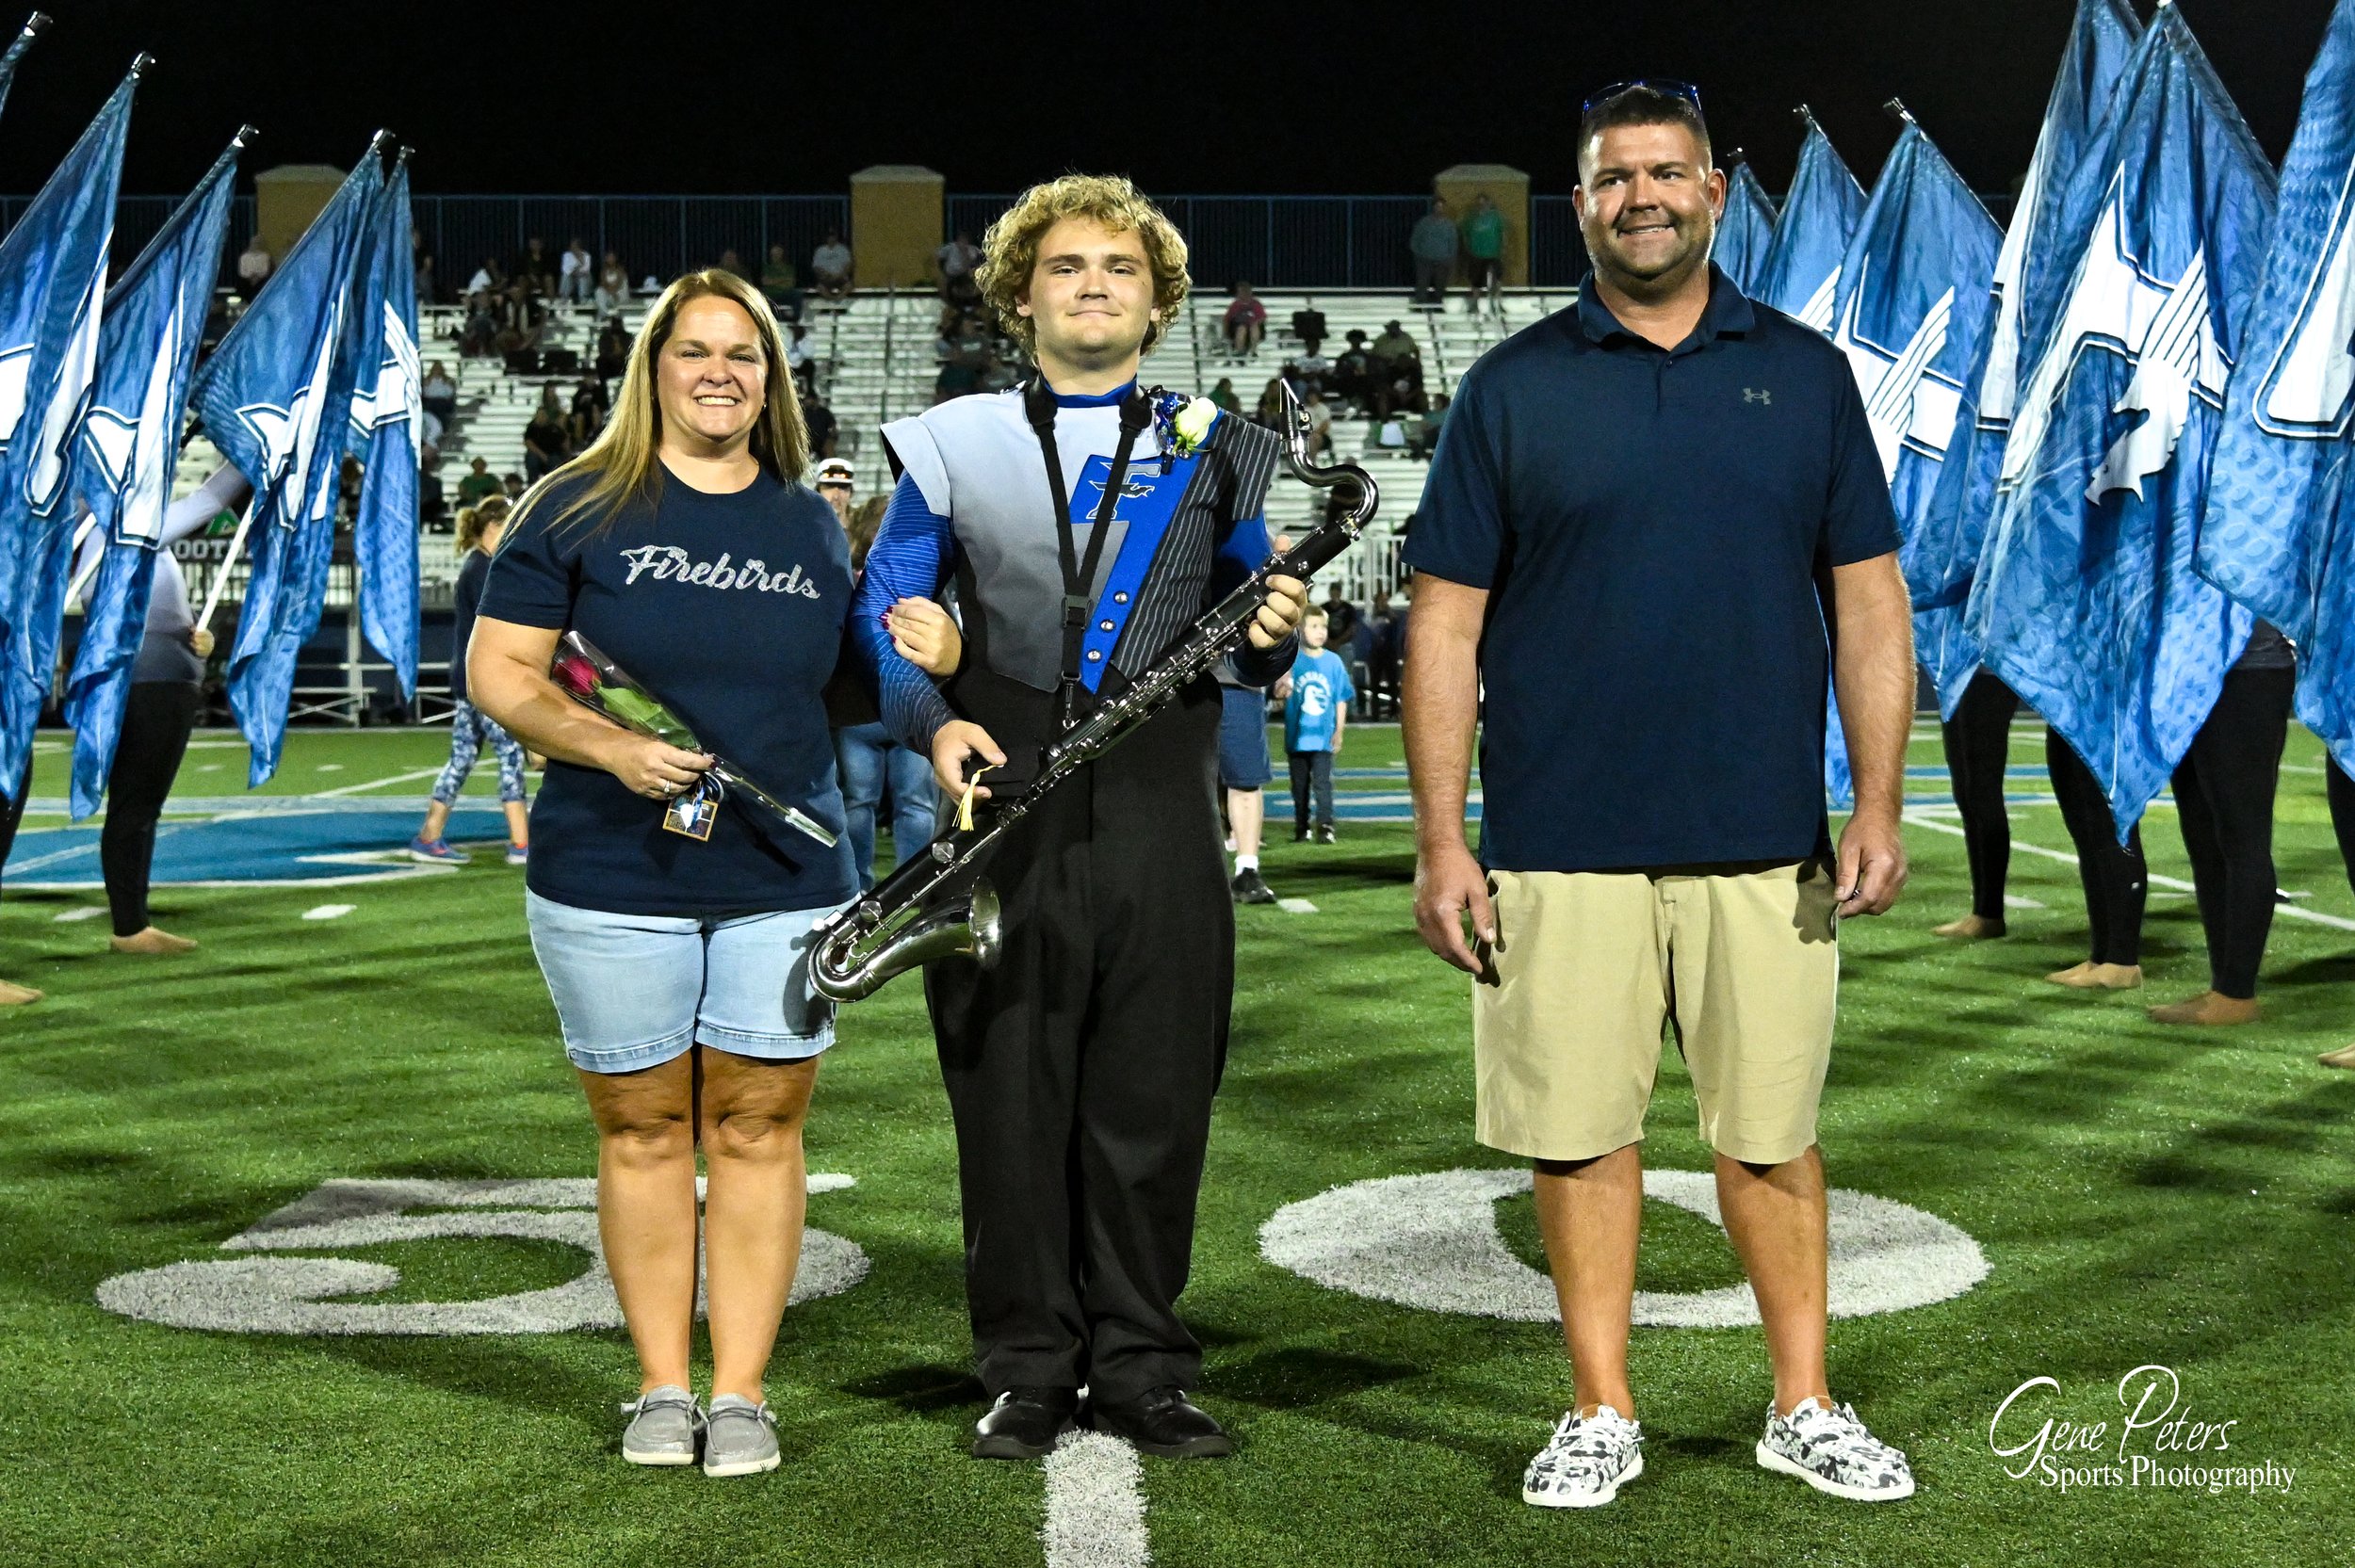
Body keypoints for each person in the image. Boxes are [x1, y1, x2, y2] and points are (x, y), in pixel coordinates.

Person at [1405, 84, 1918, 1510]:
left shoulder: (1807, 375)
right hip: (1562, 840)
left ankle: (1802, 1400)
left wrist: (1875, 801)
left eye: (1668, 172)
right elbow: (1442, 623)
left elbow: (1870, 605)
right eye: (1614, 176)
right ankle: (1600, 1407)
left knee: (1773, 1132)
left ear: (1711, 194)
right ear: (1580, 204)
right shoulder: (1511, 386)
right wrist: (1445, 837)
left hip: (1766, 835)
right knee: (1579, 1131)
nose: (1641, 195)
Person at [853, 173, 1307, 1463]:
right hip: (1005, 795)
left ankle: (1145, 1361)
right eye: (1066, 266)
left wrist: (1273, 637)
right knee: (1010, 1097)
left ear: (1159, 300)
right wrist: (930, 716)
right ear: (1020, 295)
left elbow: (1250, 636)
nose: (1093, 283)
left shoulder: (1216, 445)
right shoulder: (949, 440)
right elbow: (884, 621)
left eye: (1119, 266)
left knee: (1154, 1096)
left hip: (1163, 795)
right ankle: (1027, 1363)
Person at [468, 270, 863, 1479]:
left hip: (789, 868)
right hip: (606, 870)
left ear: (771, 379)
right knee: (642, 1129)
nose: (718, 373)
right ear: (653, 368)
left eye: (743, 355)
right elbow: (502, 673)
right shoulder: (573, 503)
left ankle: (740, 1393)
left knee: (757, 1125)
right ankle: (659, 1386)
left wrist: (931, 655)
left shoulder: (808, 519)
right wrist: (613, 749)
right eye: (693, 351)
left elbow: (835, 689)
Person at [2147, 624, 2297, 1025]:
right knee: (2203, 836)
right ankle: (2223, 984)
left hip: (2248, 671)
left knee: (2242, 835)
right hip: (2187, 672)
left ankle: (2238, 992)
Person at [833, 495, 950, 889]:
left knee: (858, 803)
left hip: (863, 710)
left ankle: (862, 888)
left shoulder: (845, 575)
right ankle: (911, 889)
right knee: (915, 805)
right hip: (912, 704)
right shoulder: (927, 574)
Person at [412, 496, 531, 866]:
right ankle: (522, 844)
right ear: (494, 527)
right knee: (511, 757)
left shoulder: (478, 565)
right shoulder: (483, 570)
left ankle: (429, 835)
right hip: (485, 681)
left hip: (468, 681)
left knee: (461, 759)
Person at [1930, 671, 2021, 941]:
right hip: (1957, 668)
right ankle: (1982, 912)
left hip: (1991, 667)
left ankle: (1990, 912)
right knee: (1966, 792)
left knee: (1982, 789)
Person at [1280, 608, 1353, 842]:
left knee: (1323, 784)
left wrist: (1339, 731)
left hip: (1322, 736)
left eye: (1323, 627)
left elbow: (1341, 698)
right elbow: (1279, 693)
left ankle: (1325, 825)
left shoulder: (1333, 662)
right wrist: (1283, 688)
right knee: (1299, 787)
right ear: (1301, 630)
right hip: (1297, 737)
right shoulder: (1292, 661)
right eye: (1314, 627)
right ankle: (1302, 826)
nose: (1320, 632)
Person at [1460, 191, 1505, 315]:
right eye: (1479, 203)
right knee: (1476, 281)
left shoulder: (1496, 217)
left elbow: (1502, 233)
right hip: (1477, 254)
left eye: (1484, 202)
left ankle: (1498, 304)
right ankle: (1475, 305)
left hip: (1494, 254)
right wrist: (1469, 249)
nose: (1482, 205)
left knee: (1497, 280)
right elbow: (1465, 235)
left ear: (1488, 203)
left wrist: (1501, 249)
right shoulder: (1471, 218)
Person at [1410, 198, 1458, 307]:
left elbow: (1453, 243)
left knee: (1440, 285)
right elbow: (1415, 240)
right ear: (1433, 208)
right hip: (1424, 260)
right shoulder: (1424, 223)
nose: (1439, 209)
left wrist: (1450, 258)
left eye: (1441, 207)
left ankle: (1438, 306)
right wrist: (1419, 254)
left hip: (1442, 260)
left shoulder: (1449, 225)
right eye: (1437, 206)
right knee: (1422, 283)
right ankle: (1420, 306)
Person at [1223, 281, 1266, 360]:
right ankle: (1239, 351)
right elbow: (1227, 319)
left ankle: (1253, 351)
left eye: (1246, 291)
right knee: (1241, 328)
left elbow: (1262, 317)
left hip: (1253, 327)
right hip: (1238, 327)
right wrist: (1225, 332)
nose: (1244, 294)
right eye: (1242, 292)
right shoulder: (1235, 305)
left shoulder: (1256, 304)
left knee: (1254, 327)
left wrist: (1255, 322)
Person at [811, 231, 853, 301]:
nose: (831, 238)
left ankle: (838, 299)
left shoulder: (843, 250)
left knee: (849, 286)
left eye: (833, 236)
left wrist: (840, 275)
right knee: (820, 287)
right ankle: (831, 300)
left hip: (840, 277)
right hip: (826, 278)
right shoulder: (820, 250)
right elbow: (816, 267)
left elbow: (848, 265)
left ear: (836, 237)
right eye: (829, 236)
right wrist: (825, 273)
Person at [421, 360, 458, 428]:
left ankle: (442, 427)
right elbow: (425, 392)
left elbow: (450, 393)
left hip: (443, 401)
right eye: (435, 369)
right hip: (430, 401)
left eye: (438, 369)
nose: (437, 371)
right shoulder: (427, 380)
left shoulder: (448, 380)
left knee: (440, 406)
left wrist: (446, 383)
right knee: (433, 406)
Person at [560, 236, 594, 304]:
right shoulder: (566, 255)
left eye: (575, 245)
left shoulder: (586, 256)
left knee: (584, 277)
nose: (573, 247)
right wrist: (577, 269)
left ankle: (583, 300)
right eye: (572, 245)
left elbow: (586, 270)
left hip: (582, 277)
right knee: (565, 276)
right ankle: (564, 298)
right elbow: (565, 269)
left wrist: (579, 259)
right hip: (571, 277)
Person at [235, 235, 271, 299]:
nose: (255, 245)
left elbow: (265, 271)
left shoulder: (265, 256)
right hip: (246, 281)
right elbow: (242, 271)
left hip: (260, 280)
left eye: (257, 243)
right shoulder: (244, 257)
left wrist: (257, 277)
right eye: (254, 243)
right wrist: (251, 277)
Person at [596, 251, 631, 315]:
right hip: (610, 293)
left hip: (619, 294)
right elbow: (603, 283)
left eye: (611, 257)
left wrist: (613, 292)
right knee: (599, 291)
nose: (610, 259)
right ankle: (605, 313)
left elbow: (619, 283)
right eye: (608, 257)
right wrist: (610, 292)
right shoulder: (604, 271)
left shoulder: (620, 269)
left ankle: (613, 313)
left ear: (615, 258)